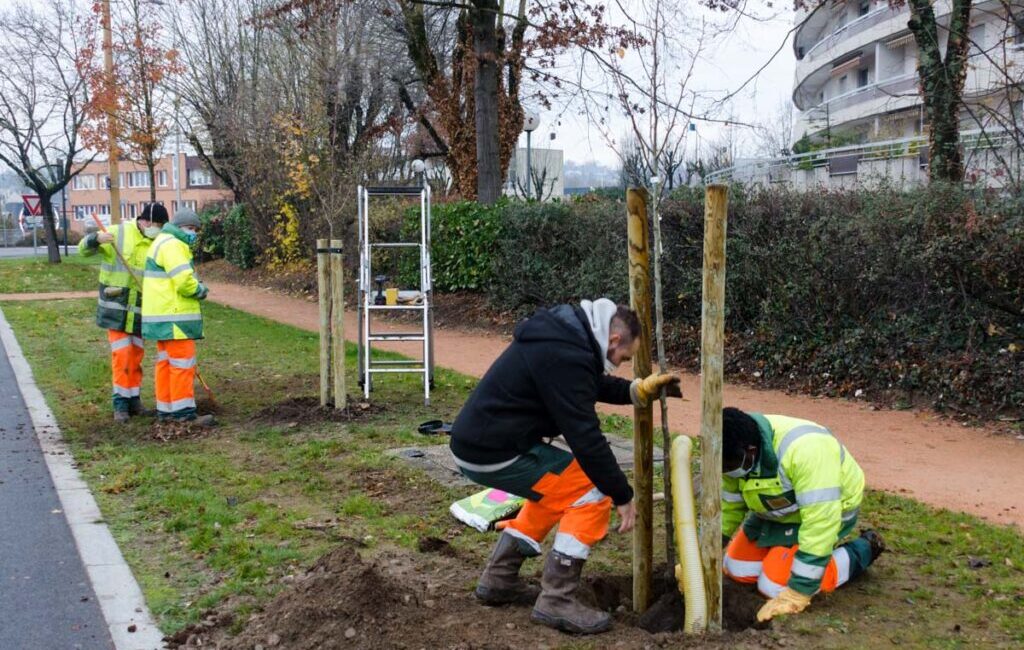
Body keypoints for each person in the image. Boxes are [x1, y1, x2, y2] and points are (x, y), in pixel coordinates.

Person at [450, 298, 682, 635]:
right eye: (624, 359)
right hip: (494, 451)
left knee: (555, 490)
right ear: (614, 340)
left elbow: (588, 383)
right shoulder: (566, 354)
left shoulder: (566, 337)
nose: (619, 365)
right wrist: (621, 494)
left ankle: (498, 579)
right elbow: (586, 437)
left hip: (482, 443)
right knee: (591, 491)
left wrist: (635, 390)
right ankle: (557, 599)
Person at [719, 407, 885, 622]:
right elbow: (728, 508)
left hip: (825, 512)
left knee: (774, 587)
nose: (726, 471)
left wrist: (800, 590)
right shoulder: (731, 448)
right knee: (737, 569)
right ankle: (781, 552)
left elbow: (820, 524)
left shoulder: (807, 451)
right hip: (774, 512)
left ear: (750, 451)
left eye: (729, 466)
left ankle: (861, 551)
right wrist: (698, 557)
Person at [79, 203, 168, 423]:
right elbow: (83, 249)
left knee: (136, 355)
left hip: (140, 310)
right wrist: (95, 239)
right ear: (144, 221)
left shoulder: (157, 242)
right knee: (123, 355)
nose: (157, 229)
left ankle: (133, 399)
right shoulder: (117, 233)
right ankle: (120, 402)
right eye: (156, 224)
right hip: (116, 310)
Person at [141, 208, 213, 426]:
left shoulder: (161, 242)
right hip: (175, 317)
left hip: (160, 317)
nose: (193, 234)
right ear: (180, 227)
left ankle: (166, 410)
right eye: (191, 229)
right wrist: (200, 289)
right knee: (182, 364)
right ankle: (184, 414)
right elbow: (183, 281)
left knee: (165, 364)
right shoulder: (174, 245)